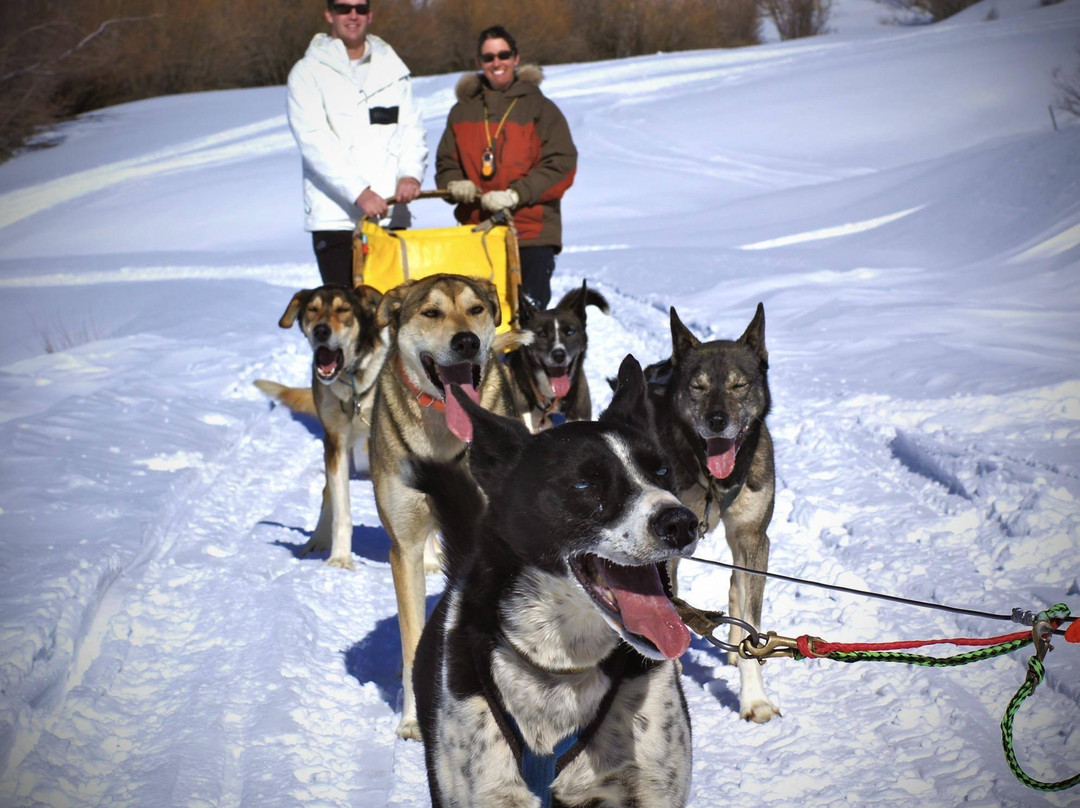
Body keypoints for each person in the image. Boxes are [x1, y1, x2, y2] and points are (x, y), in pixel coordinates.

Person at [287, 1, 428, 288]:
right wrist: (360, 193)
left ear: (370, 15)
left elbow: (411, 129)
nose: (353, 15)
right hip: (335, 218)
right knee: (347, 318)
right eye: (343, 8)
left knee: (392, 315)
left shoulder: (393, 69)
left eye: (360, 8)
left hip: (389, 216)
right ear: (329, 14)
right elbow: (314, 140)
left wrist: (410, 174)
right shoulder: (307, 72)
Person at [435, 25, 577, 310]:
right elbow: (446, 164)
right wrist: (454, 184)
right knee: (481, 318)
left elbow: (562, 164)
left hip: (530, 231)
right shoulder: (462, 111)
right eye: (488, 58)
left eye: (503, 55)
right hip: (479, 232)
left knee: (528, 316)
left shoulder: (541, 109)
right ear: (479, 63)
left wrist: (515, 195)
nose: (496, 63)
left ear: (515, 58)